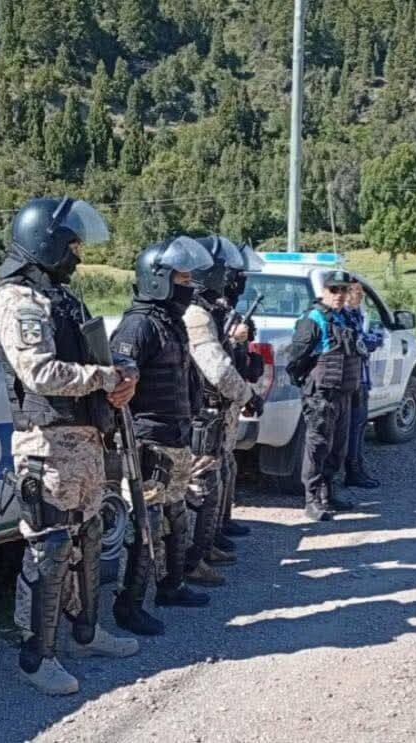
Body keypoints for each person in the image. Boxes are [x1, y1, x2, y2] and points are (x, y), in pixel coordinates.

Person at [0, 197, 139, 696]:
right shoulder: (16, 299)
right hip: (46, 444)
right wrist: (103, 377)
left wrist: (120, 380)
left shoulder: (59, 297)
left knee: (87, 539)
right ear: (45, 243)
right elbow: (39, 371)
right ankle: (37, 656)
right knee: (48, 548)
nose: (77, 254)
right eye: (71, 244)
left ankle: (85, 631)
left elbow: (98, 354)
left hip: (85, 439)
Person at [109, 237, 215, 636]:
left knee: (175, 514)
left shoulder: (170, 322)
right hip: (149, 442)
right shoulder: (138, 325)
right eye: (182, 277)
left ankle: (172, 585)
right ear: (158, 280)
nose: (189, 285)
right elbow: (119, 379)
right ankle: (129, 605)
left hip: (176, 438)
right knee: (146, 524)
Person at [183, 236, 262, 586]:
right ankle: (189, 561)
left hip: (214, 409)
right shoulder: (196, 314)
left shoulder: (209, 310)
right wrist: (246, 394)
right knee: (199, 486)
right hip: (201, 410)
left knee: (214, 479)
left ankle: (204, 547)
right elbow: (216, 368)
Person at [286, 269, 363, 522]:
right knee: (317, 447)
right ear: (324, 291)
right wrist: (305, 383)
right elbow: (297, 356)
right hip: (321, 396)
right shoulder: (313, 319)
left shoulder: (342, 319)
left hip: (343, 395)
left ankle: (328, 495)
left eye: (343, 290)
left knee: (338, 450)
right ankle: (311, 500)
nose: (339, 295)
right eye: (334, 290)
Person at [216, 245, 265, 549]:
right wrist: (232, 340)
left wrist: (243, 343)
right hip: (214, 403)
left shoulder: (227, 311)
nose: (242, 282)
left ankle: (222, 521)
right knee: (212, 473)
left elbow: (243, 363)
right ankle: (211, 535)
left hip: (231, 400)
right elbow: (214, 362)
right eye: (238, 276)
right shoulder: (208, 313)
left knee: (227, 465)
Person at [344, 279, 384, 488]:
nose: (360, 297)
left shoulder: (356, 315)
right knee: (355, 427)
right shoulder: (347, 316)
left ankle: (356, 467)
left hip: (360, 377)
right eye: (357, 293)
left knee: (358, 427)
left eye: (360, 293)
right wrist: (375, 339)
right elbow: (360, 343)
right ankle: (353, 471)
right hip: (355, 378)